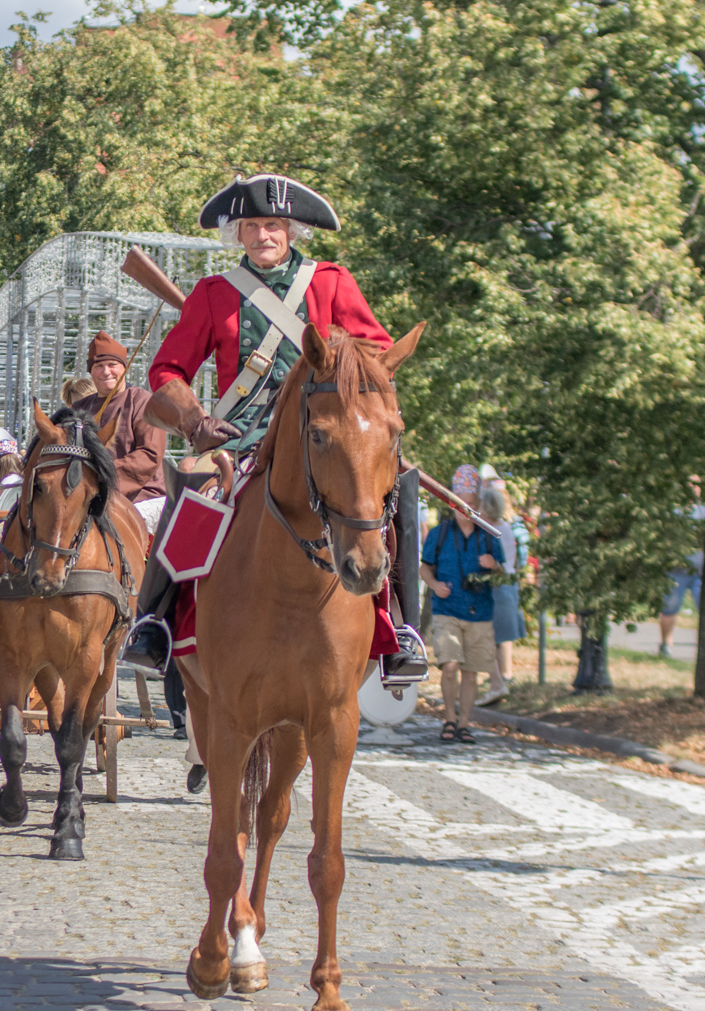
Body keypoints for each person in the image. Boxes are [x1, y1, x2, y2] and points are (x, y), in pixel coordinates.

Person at [119, 173, 422, 683]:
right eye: (253, 226)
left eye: (275, 225)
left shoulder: (331, 282)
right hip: (237, 442)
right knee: (190, 486)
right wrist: (196, 422)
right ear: (237, 234)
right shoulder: (213, 294)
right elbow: (166, 371)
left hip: (324, 437)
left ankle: (403, 631)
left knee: (401, 489)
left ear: (292, 231)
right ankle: (155, 621)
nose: (264, 235)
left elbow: (377, 355)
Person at [420, 465, 502, 744]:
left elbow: (505, 574)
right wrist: (434, 585)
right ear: (452, 503)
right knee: (450, 666)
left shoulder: (488, 534)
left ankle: (464, 724)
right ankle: (449, 719)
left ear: (478, 503)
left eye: (471, 503)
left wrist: (495, 566)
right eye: (460, 504)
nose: (465, 509)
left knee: (470, 673)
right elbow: (424, 568)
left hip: (480, 612)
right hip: (447, 610)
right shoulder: (439, 533)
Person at [72, 331, 167, 529]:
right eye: (99, 366)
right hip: (88, 496)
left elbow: (149, 455)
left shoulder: (143, 402)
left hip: (143, 497)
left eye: (112, 365)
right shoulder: (79, 408)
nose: (106, 372)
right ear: (91, 372)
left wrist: (100, 477)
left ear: (124, 368)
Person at [476, 482, 527, 707]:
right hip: (508, 584)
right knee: (498, 637)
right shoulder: (505, 526)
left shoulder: (491, 530)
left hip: (497, 585)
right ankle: (500, 678)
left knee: (487, 635)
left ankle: (498, 681)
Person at [658, 497, 705, 657]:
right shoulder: (673, 510)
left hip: (701, 571)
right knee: (669, 608)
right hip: (676, 570)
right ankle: (666, 642)